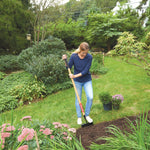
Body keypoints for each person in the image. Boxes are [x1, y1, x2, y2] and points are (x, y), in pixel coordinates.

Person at [62, 42, 93, 125]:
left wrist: (74, 76)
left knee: (90, 97)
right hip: (77, 82)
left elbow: (86, 71)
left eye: (86, 53)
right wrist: (65, 61)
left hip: (87, 80)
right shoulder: (74, 56)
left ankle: (87, 115)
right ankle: (79, 117)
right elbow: (68, 67)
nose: (84, 55)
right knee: (78, 98)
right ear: (80, 50)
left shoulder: (89, 57)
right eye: (83, 53)